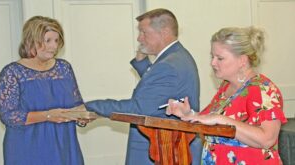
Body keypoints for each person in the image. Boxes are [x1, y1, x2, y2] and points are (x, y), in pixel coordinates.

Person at [73, 8, 202, 165]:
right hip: (167, 147)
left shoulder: (168, 65)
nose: (140, 38)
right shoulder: (178, 56)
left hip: (160, 152)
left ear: (164, 32)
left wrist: (91, 106)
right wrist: (141, 62)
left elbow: (139, 108)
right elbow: (158, 93)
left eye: (144, 32)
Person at [166, 26, 288, 164]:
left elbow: (267, 139)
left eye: (220, 58)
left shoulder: (263, 89)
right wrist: (189, 114)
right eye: (212, 56)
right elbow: (211, 122)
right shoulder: (226, 86)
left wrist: (222, 119)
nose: (212, 63)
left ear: (242, 60)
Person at [0, 16, 94, 165]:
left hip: (64, 145)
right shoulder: (12, 73)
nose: (53, 46)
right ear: (30, 41)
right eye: (47, 41)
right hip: (27, 147)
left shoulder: (64, 68)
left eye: (56, 40)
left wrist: (82, 116)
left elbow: (76, 104)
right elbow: (9, 116)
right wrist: (47, 115)